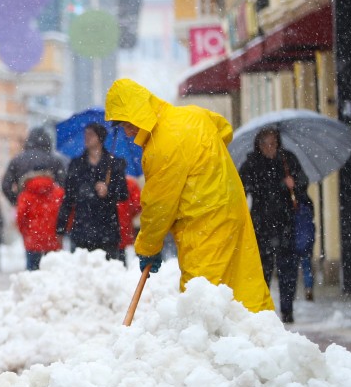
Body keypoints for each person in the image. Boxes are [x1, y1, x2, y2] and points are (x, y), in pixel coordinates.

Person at [104, 78, 273, 314]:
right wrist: (203, 163)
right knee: (242, 281)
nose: (127, 130)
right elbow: (224, 129)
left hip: (204, 220)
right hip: (231, 204)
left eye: (127, 122)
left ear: (140, 113)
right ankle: (258, 336)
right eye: (121, 125)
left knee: (201, 295)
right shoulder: (193, 115)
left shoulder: (161, 147)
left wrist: (148, 248)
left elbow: (158, 207)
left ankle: (212, 347)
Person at [238, 127, 309, 323]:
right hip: (261, 224)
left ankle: (287, 311)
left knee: (288, 269)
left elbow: (303, 182)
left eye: (273, 143)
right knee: (263, 270)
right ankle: (263, 310)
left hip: (286, 222)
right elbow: (240, 190)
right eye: (265, 144)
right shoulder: (251, 164)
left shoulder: (288, 160)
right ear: (258, 145)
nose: (270, 148)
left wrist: (294, 183)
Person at [56, 123, 128, 262]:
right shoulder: (76, 164)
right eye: (86, 134)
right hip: (82, 230)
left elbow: (123, 194)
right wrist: (60, 228)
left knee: (108, 273)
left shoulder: (114, 164)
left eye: (91, 134)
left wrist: (109, 191)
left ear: (100, 138)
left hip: (107, 230)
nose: (86, 137)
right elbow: (68, 198)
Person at [0, 127, 68, 206]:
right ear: (48, 140)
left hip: (26, 207)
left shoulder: (17, 160)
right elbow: (64, 184)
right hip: (49, 209)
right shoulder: (55, 160)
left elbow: (6, 186)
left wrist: (17, 200)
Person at [16, 173, 65, 271]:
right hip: (54, 239)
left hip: (33, 239)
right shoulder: (59, 193)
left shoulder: (25, 194)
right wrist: (62, 231)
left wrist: (25, 232)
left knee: (32, 274)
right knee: (54, 273)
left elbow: (20, 216)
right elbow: (67, 213)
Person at [295, 192, 316, 302]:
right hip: (306, 242)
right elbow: (311, 225)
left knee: (292, 268)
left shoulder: (291, 201)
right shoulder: (308, 203)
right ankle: (308, 287)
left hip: (294, 240)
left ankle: (291, 293)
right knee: (306, 266)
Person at [117, 176, 143, 265]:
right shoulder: (129, 182)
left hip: (113, 230)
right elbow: (137, 204)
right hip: (125, 225)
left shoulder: (104, 182)